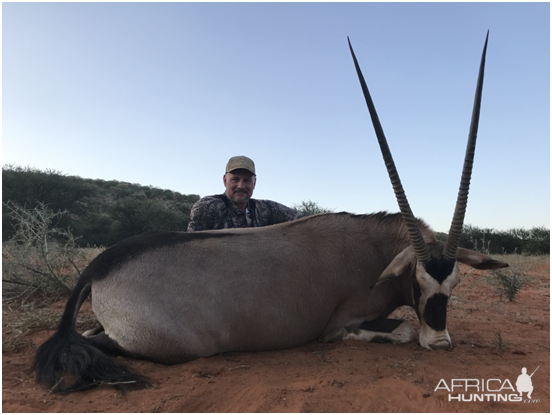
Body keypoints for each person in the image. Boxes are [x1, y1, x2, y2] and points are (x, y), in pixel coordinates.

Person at [187, 156, 304, 232]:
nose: (241, 186)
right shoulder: (206, 207)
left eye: (247, 180)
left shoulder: (266, 208)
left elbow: (304, 220)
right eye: (235, 179)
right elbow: (191, 248)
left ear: (254, 183)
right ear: (224, 180)